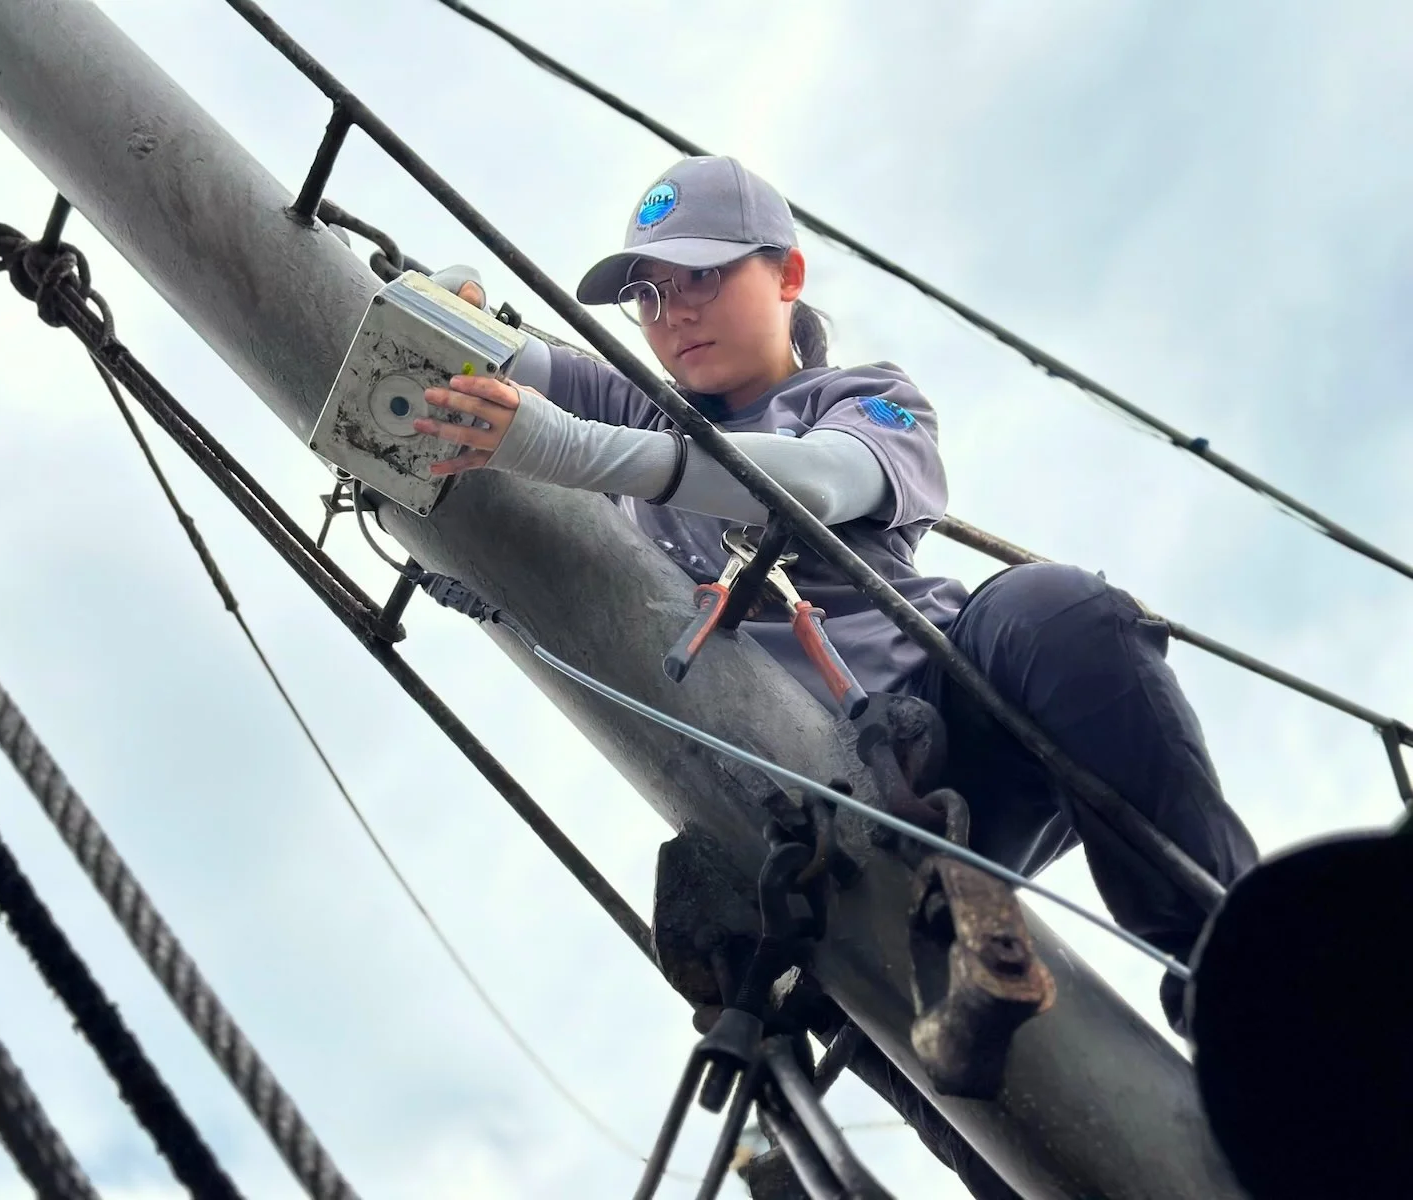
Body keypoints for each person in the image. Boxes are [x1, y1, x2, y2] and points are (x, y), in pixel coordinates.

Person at [413, 154, 1257, 1032]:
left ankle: (1243, 974)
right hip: (799, 816)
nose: (675, 314)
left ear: (788, 273)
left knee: (1062, 611)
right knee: (908, 1041)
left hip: (947, 723)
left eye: (702, 275)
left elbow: (815, 483)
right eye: (650, 295)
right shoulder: (635, 405)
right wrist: (447, 305)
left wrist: (576, 450)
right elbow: (494, 352)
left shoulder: (871, 400)